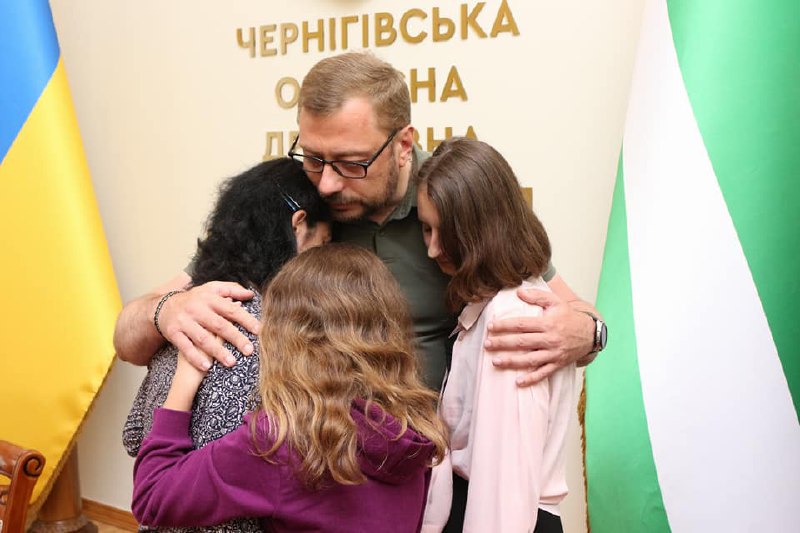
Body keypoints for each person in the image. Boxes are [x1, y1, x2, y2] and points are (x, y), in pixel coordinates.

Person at [113, 52, 604, 396]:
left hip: (438, 463)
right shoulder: (291, 201)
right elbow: (126, 338)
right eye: (313, 158)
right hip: (316, 465)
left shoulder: (456, 200)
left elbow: (578, 314)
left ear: (403, 145)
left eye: (351, 163)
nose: (327, 184)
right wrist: (166, 312)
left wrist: (587, 333)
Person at [132, 244, 449, 532]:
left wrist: (184, 382)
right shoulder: (415, 433)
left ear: (284, 339)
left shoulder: (282, 443)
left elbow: (152, 497)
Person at [123, 157, 330, 532]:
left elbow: (134, 436)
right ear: (299, 226)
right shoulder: (270, 338)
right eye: (324, 243)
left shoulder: (183, 314)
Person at [417, 138, 576, 532]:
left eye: (446, 233)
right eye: (425, 229)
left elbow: (504, 492)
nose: (433, 249)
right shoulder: (492, 304)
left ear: (482, 230)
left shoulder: (512, 315)